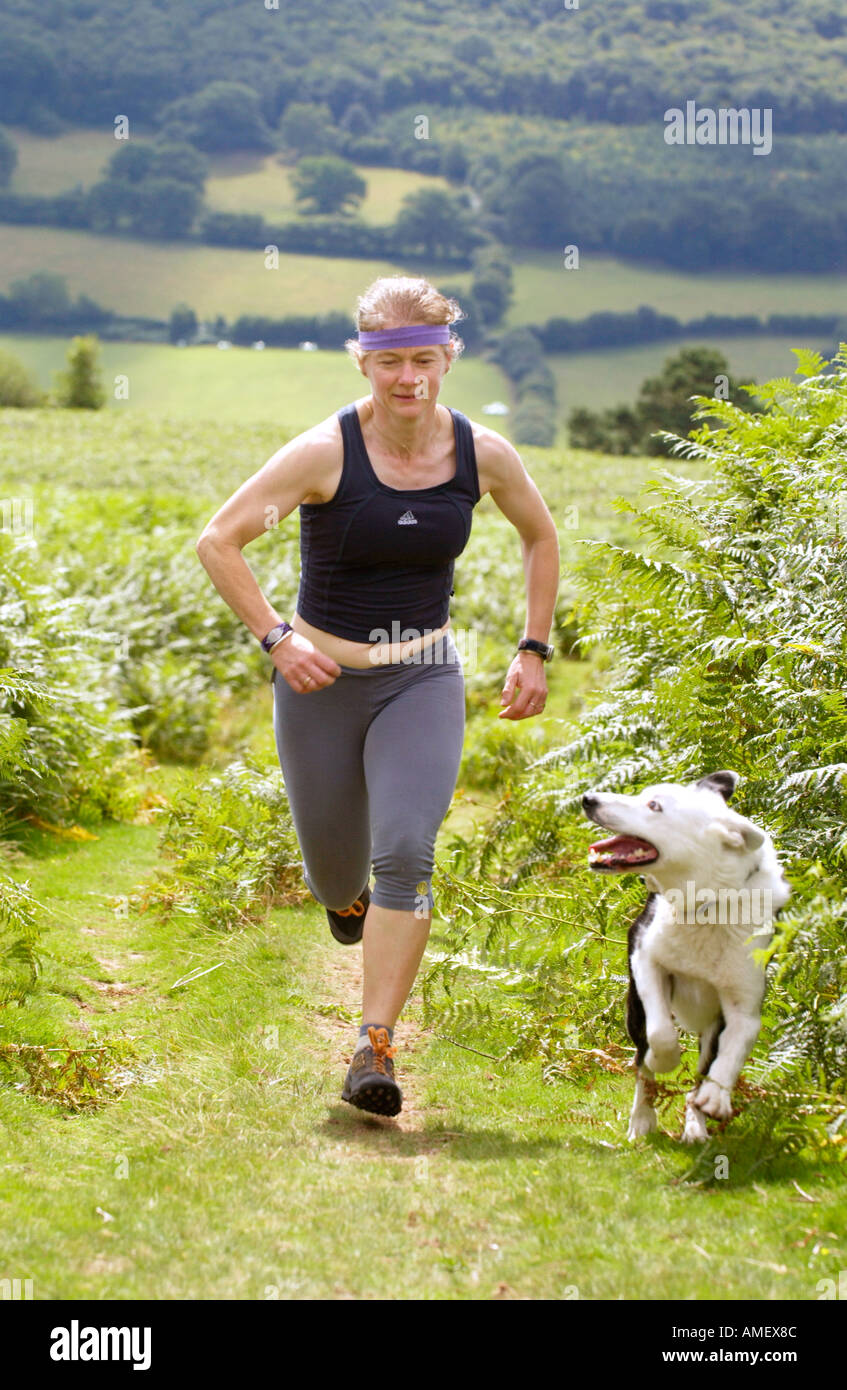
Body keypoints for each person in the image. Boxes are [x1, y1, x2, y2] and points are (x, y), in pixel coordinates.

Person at [195, 275, 560, 1117]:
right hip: (319, 682)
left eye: (426, 361)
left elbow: (539, 535)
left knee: (406, 851)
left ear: (448, 358)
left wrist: (533, 647)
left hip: (422, 677)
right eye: (392, 363)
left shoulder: (481, 453)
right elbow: (220, 539)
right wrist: (277, 641)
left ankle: (375, 1044)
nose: (410, 380)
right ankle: (344, 902)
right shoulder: (323, 453)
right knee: (334, 873)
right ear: (364, 362)